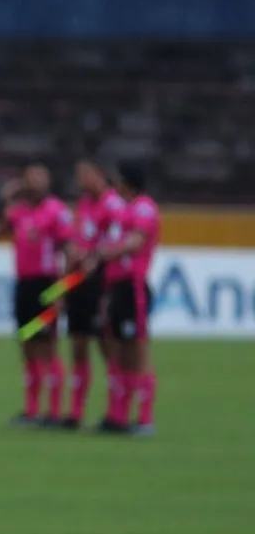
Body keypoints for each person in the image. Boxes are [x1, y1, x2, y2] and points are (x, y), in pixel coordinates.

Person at [0, 163, 73, 427]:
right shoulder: (19, 212)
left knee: (48, 346)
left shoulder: (57, 211)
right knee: (27, 345)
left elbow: (68, 250)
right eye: (31, 179)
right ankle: (32, 409)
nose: (35, 183)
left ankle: (54, 411)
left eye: (40, 178)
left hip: (46, 286)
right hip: (24, 286)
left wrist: (62, 290)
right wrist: (4, 196)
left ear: (48, 183)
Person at [97, 163, 160, 435]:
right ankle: (118, 416)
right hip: (117, 286)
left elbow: (135, 242)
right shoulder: (124, 210)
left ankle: (145, 419)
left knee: (137, 352)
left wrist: (107, 252)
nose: (116, 187)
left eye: (119, 182)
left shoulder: (144, 207)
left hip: (133, 286)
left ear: (129, 184)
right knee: (119, 351)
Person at [64, 159, 125, 428]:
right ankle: (76, 411)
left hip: (102, 279)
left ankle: (116, 410)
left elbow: (117, 243)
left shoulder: (114, 205)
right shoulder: (84, 204)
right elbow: (78, 238)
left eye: (85, 175)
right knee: (78, 343)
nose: (80, 181)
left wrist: (94, 258)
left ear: (99, 175)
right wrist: (74, 254)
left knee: (106, 344)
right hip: (79, 279)